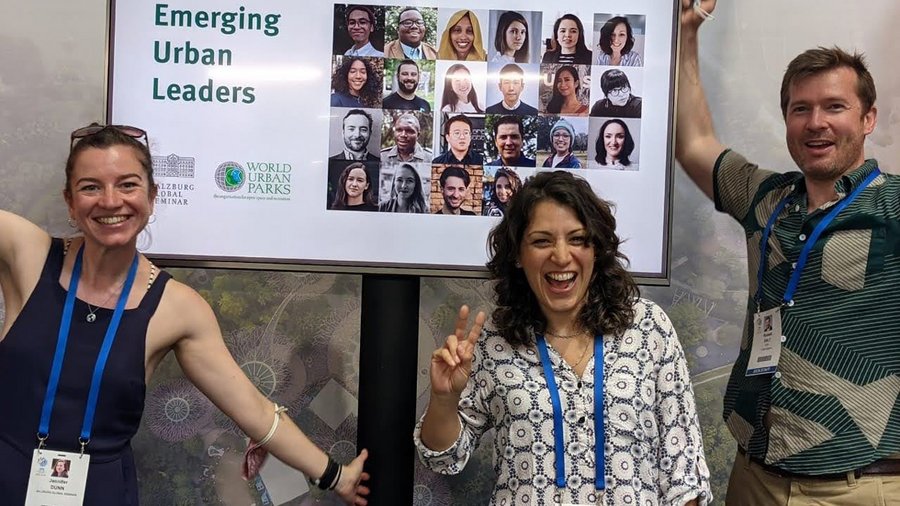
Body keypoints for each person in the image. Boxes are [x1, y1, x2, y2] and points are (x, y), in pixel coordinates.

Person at [0, 124, 370, 504]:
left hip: (98, 489)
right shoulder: (27, 254)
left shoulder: (177, 307)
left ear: (152, 195)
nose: (110, 201)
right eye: (90, 187)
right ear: (70, 201)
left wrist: (333, 474)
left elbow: (253, 408)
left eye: (128, 184)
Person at [677, 1, 900, 504]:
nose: (816, 122)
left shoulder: (895, 205)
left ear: (868, 118)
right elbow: (693, 142)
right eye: (801, 108)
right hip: (755, 477)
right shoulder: (765, 197)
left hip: (859, 484)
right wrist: (688, 32)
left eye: (835, 107)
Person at [415, 170, 711, 505]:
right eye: (542, 241)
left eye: (578, 239)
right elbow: (443, 457)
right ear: (516, 254)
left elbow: (685, 472)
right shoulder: (493, 341)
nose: (560, 256)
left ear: (596, 250)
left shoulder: (647, 327)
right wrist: (444, 398)